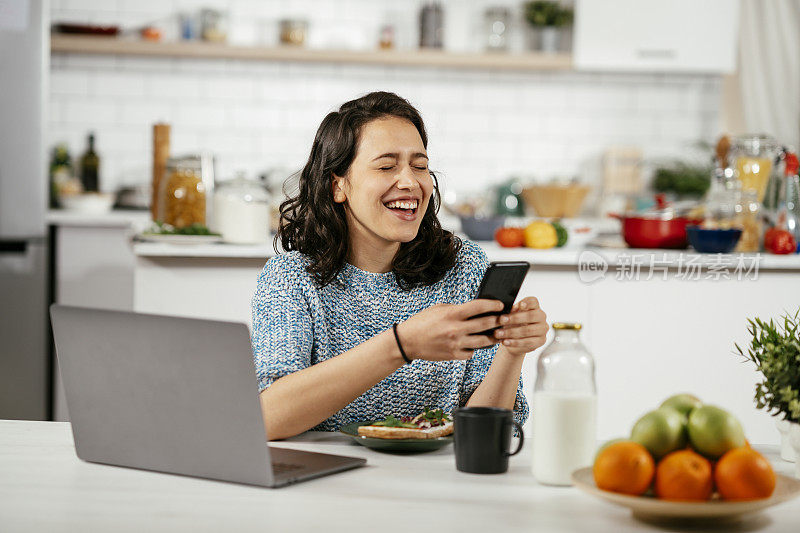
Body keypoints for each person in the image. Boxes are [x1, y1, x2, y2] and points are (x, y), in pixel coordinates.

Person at [251, 91, 548, 440]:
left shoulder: (463, 267)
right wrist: (401, 345)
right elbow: (267, 418)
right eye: (387, 166)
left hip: (438, 482)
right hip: (326, 483)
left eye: (420, 166)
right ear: (338, 185)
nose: (410, 182)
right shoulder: (291, 278)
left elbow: (487, 429)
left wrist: (512, 353)